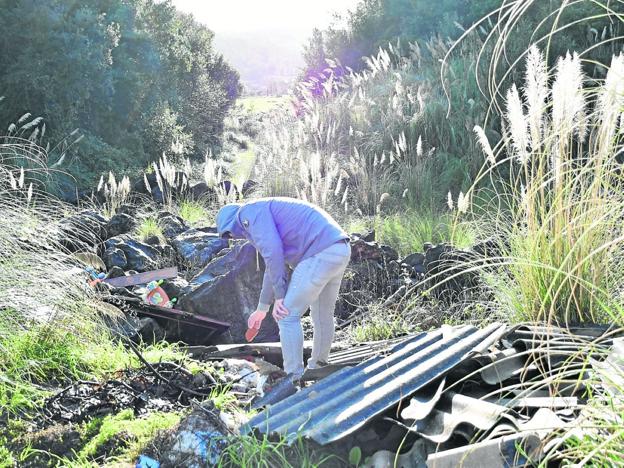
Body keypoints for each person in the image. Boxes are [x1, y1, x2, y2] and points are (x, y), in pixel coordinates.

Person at [216, 197, 351, 379]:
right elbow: (273, 266)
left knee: (286, 316)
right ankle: (318, 366)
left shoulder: (248, 213)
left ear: (229, 225)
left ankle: (293, 378)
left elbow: (273, 253)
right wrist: (261, 309)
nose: (233, 238)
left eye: (228, 234)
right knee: (322, 315)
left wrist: (280, 296)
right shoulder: (261, 211)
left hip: (319, 253)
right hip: (339, 249)